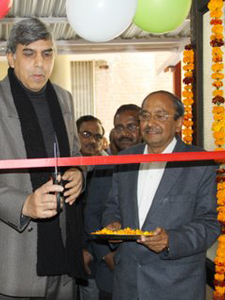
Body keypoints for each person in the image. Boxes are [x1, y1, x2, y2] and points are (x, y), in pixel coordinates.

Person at [0, 17, 86, 299]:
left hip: (64, 254)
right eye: (28, 54)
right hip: (10, 261)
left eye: (47, 53)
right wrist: (23, 204)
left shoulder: (64, 98)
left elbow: (75, 155)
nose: (39, 63)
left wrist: (79, 172)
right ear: (11, 57)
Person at [102, 91, 220, 300]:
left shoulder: (199, 163)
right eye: (145, 116)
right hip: (127, 283)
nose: (150, 123)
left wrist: (170, 240)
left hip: (176, 286)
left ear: (178, 123)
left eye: (161, 115)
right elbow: (113, 206)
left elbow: (210, 224)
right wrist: (112, 225)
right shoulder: (125, 158)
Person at [83, 104, 142, 300]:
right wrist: (104, 254)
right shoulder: (105, 167)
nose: (124, 133)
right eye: (118, 127)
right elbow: (91, 214)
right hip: (111, 270)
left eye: (131, 126)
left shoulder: (156, 165)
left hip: (152, 272)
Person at [75, 115, 105, 300]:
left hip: (94, 255)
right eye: (86, 134)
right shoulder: (62, 166)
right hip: (66, 254)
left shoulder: (107, 168)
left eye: (98, 136)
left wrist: (90, 250)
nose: (92, 140)